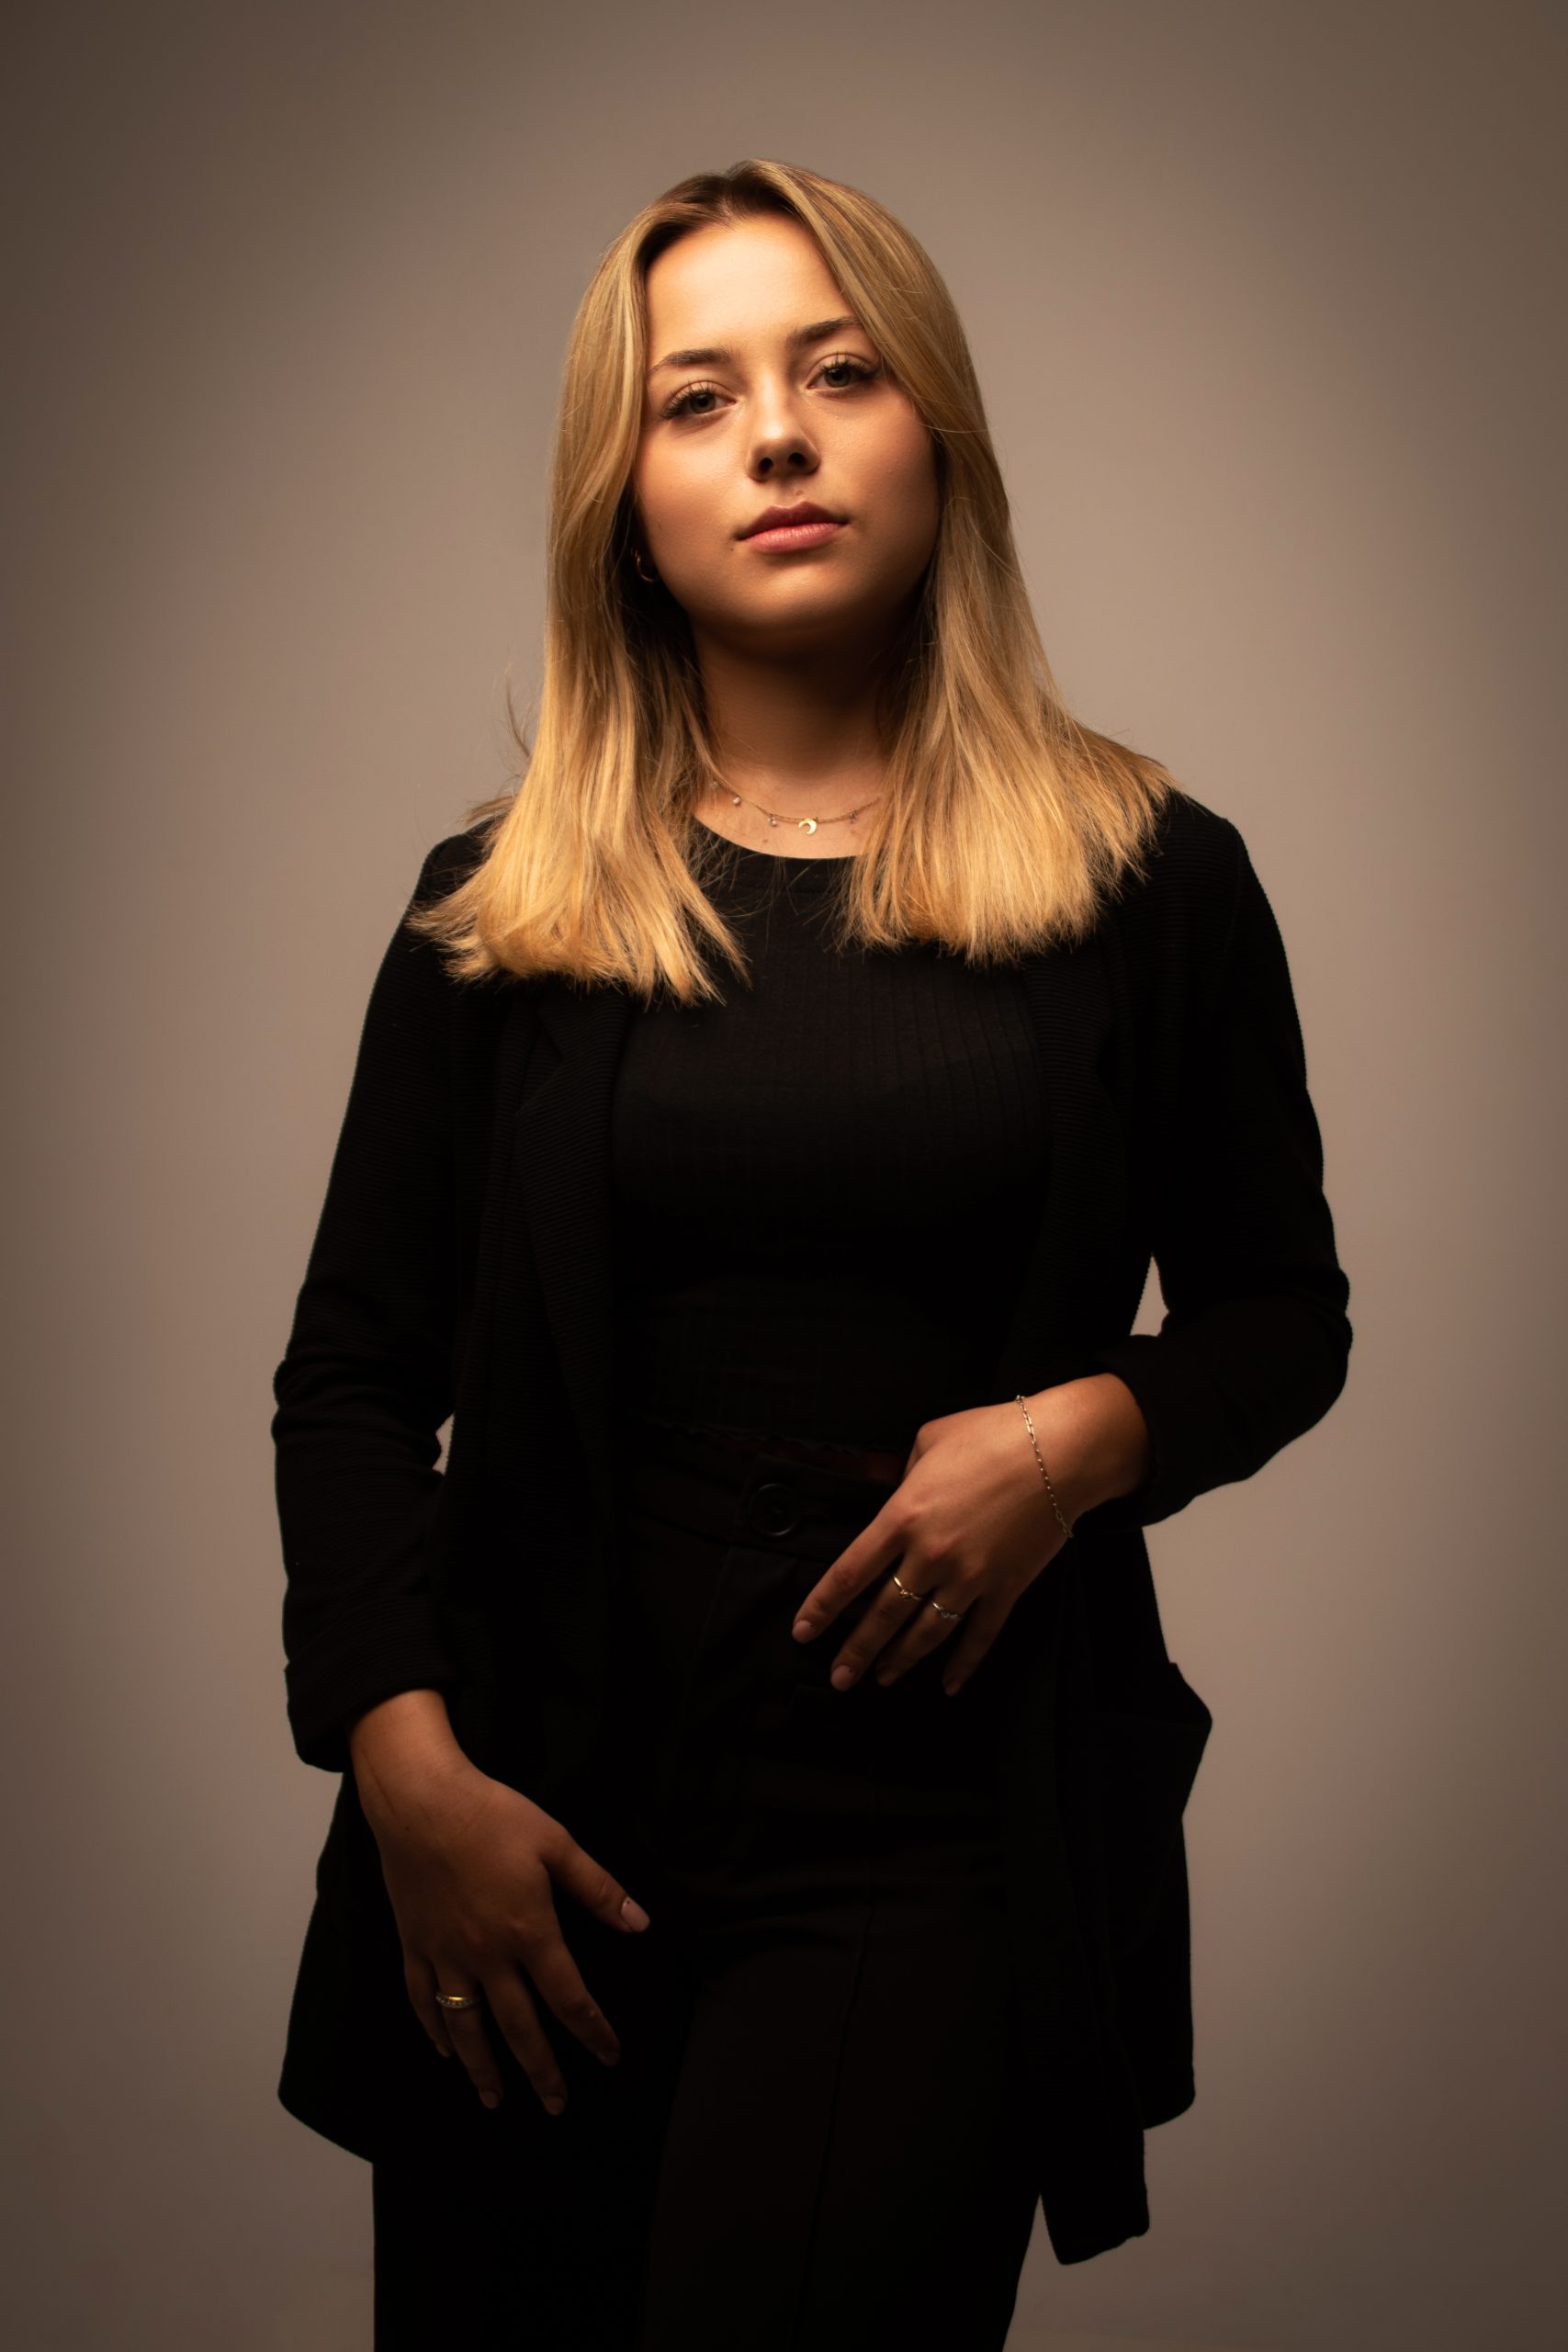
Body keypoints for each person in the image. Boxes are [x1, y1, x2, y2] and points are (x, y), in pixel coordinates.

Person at [271, 158, 1352, 2351]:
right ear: (624, 499)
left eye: (837, 373)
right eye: (696, 397)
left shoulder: (1150, 879)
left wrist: (1074, 1440)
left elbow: (1277, 1318)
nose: (774, 435)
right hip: (530, 1826)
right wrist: (404, 1766)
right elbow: (356, 1381)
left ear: (934, 436)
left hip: (931, 1832)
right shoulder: (490, 909)